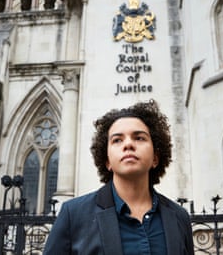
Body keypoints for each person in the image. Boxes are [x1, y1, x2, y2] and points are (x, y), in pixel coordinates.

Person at [43, 100, 193, 255]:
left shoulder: (179, 217)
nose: (128, 144)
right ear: (107, 161)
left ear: (155, 158)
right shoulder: (73, 215)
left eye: (139, 138)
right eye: (117, 140)